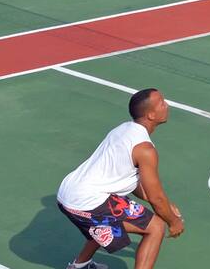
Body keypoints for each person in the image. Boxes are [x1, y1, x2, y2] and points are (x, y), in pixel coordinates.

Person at [56, 87, 186, 269]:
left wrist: (165, 206)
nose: (167, 105)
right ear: (151, 115)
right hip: (86, 201)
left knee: (109, 217)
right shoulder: (145, 150)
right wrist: (173, 221)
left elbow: (134, 184)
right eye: (162, 103)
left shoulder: (123, 129)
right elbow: (156, 198)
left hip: (68, 193)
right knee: (155, 227)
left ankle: (80, 265)